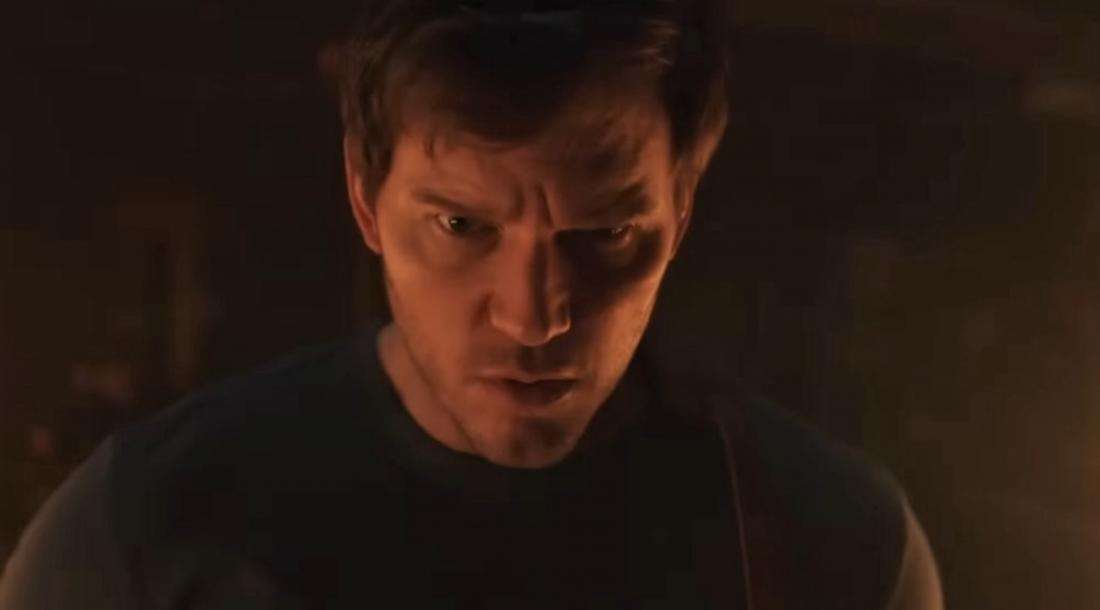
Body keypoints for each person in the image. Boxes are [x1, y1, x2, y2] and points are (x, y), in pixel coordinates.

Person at [0, 1, 943, 608]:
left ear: (681, 209)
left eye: (605, 234)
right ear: (366, 196)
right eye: (462, 226)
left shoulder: (833, 544)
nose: (533, 317)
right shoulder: (143, 537)